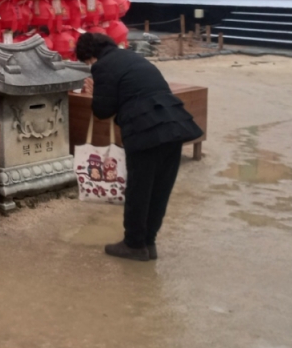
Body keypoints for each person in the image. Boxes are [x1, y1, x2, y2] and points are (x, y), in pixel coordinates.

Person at [75, 32, 203, 262]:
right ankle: (148, 242)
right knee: (159, 189)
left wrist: (95, 93)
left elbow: (103, 110)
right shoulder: (133, 57)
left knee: (139, 190)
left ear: (90, 56)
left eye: (86, 62)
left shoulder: (102, 66)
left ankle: (134, 244)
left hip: (145, 130)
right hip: (173, 124)